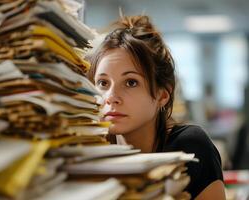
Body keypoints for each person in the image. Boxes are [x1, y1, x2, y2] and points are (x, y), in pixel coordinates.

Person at [87, 15, 225, 199]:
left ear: (162, 95)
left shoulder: (190, 146)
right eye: (103, 83)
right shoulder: (89, 151)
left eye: (130, 82)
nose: (111, 97)